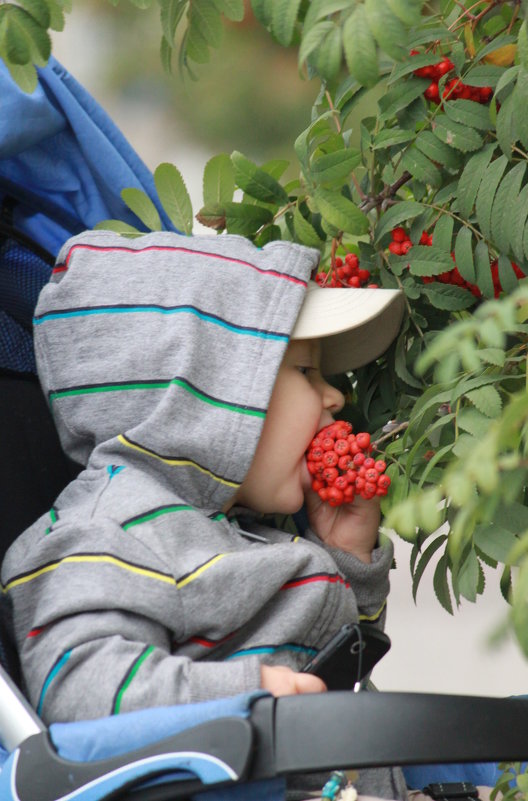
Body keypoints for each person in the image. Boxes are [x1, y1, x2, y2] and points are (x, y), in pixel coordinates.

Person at [1, 230, 406, 799]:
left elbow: (330, 673)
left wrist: (349, 561)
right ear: (203, 395)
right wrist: (248, 696)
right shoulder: (103, 535)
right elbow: (84, 693)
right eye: (306, 372)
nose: (335, 397)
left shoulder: (240, 531)